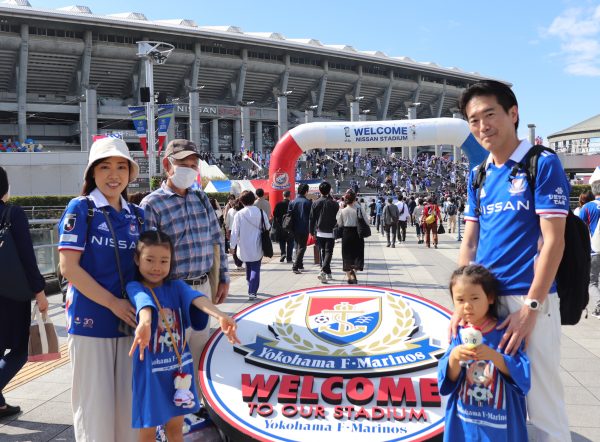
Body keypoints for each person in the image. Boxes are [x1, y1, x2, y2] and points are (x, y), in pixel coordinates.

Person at [457, 80, 571, 441]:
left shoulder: (541, 162)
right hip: (484, 302)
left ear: (513, 113)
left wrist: (531, 308)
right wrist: (462, 302)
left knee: (542, 401)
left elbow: (554, 240)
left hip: (528, 298)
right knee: (493, 399)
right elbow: (470, 241)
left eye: (489, 115)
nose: (482, 126)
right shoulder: (478, 174)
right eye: (473, 120)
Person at [58, 137, 143, 441]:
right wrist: (112, 303)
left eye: (121, 166)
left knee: (130, 413)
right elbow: (68, 268)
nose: (114, 174)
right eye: (105, 167)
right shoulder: (81, 209)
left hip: (130, 326)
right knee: (94, 412)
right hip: (90, 323)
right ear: (92, 173)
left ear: (131, 173)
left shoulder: (136, 215)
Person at [127, 230, 239, 442]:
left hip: (179, 369)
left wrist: (220, 315)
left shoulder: (176, 286)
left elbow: (197, 298)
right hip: (151, 373)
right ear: (137, 259)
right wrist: (145, 322)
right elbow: (143, 303)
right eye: (149, 260)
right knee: (147, 431)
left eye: (164, 260)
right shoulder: (135, 286)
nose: (156, 267)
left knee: (176, 427)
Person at [140, 139, 229, 396]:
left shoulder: (201, 198)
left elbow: (216, 239)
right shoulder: (151, 204)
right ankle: (169, 422)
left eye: (194, 165)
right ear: (168, 164)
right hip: (171, 294)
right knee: (172, 358)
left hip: (201, 288)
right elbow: (148, 259)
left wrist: (222, 277)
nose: (190, 169)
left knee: (200, 355)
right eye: (183, 164)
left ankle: (197, 410)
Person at [438, 264, 530, 442]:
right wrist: (455, 357)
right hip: (466, 421)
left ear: (490, 297)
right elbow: (447, 379)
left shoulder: (506, 333)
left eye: (474, 298)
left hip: (501, 422)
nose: (467, 306)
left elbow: (522, 376)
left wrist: (493, 355)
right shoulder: (458, 334)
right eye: (460, 300)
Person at [0, 166, 48, 418]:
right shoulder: (12, 213)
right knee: (19, 350)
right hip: (11, 295)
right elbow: (27, 256)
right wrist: (39, 291)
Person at [230, 190, 270, 300]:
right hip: (257, 244)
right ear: (253, 199)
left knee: (248, 265)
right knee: (255, 267)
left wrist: (232, 247)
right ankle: (252, 290)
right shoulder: (261, 212)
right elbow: (267, 227)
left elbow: (234, 232)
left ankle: (250, 284)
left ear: (242, 201)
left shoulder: (239, 214)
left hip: (243, 245)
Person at [309, 181, 339, 282]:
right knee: (328, 252)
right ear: (329, 190)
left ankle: (327, 272)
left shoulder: (315, 203)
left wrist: (311, 232)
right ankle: (323, 271)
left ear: (319, 190)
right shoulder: (334, 204)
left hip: (319, 231)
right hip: (330, 231)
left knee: (323, 252)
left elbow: (312, 219)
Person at [578, 180, 600, 318]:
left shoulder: (587, 207)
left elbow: (579, 228)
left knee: (592, 281)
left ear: (593, 191)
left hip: (595, 249)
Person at [336, 190, 365, 284]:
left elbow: (339, 223)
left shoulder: (342, 210)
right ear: (354, 200)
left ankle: (349, 277)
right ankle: (353, 272)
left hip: (346, 233)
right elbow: (366, 221)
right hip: (357, 233)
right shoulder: (359, 209)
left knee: (346, 255)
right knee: (358, 255)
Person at [288, 183, 312, 274]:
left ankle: (300, 264)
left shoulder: (292, 202)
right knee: (302, 247)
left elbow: (289, 215)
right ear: (306, 191)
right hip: (304, 227)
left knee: (298, 245)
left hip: (293, 227)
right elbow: (311, 216)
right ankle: (295, 266)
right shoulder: (308, 202)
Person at [273, 190, 294, 263]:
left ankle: (283, 253)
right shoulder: (292, 204)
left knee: (282, 241)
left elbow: (274, 214)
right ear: (289, 195)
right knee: (290, 242)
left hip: (281, 226)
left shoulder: (279, 204)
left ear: (283, 195)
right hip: (290, 226)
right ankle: (289, 258)